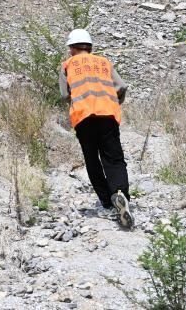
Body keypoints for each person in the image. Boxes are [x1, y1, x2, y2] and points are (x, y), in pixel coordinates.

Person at [59, 28, 133, 229]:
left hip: (83, 117)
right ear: (90, 47)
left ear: (72, 48)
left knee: (92, 160)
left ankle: (107, 203)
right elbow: (122, 86)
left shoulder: (67, 65)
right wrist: (116, 101)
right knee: (114, 158)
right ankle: (120, 193)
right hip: (107, 114)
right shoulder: (104, 62)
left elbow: (64, 94)